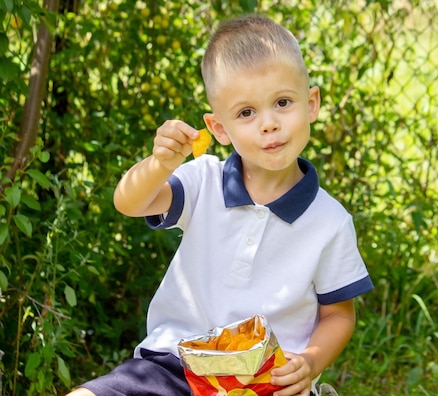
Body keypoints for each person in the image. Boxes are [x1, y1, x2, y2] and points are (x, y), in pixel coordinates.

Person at [67, 14, 373, 396]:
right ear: (220, 129)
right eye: (246, 112)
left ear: (310, 104)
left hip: (266, 381)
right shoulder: (204, 180)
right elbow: (130, 202)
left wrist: (309, 362)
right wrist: (159, 164)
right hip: (177, 364)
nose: (269, 124)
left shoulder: (329, 221)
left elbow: (338, 314)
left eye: (282, 102)